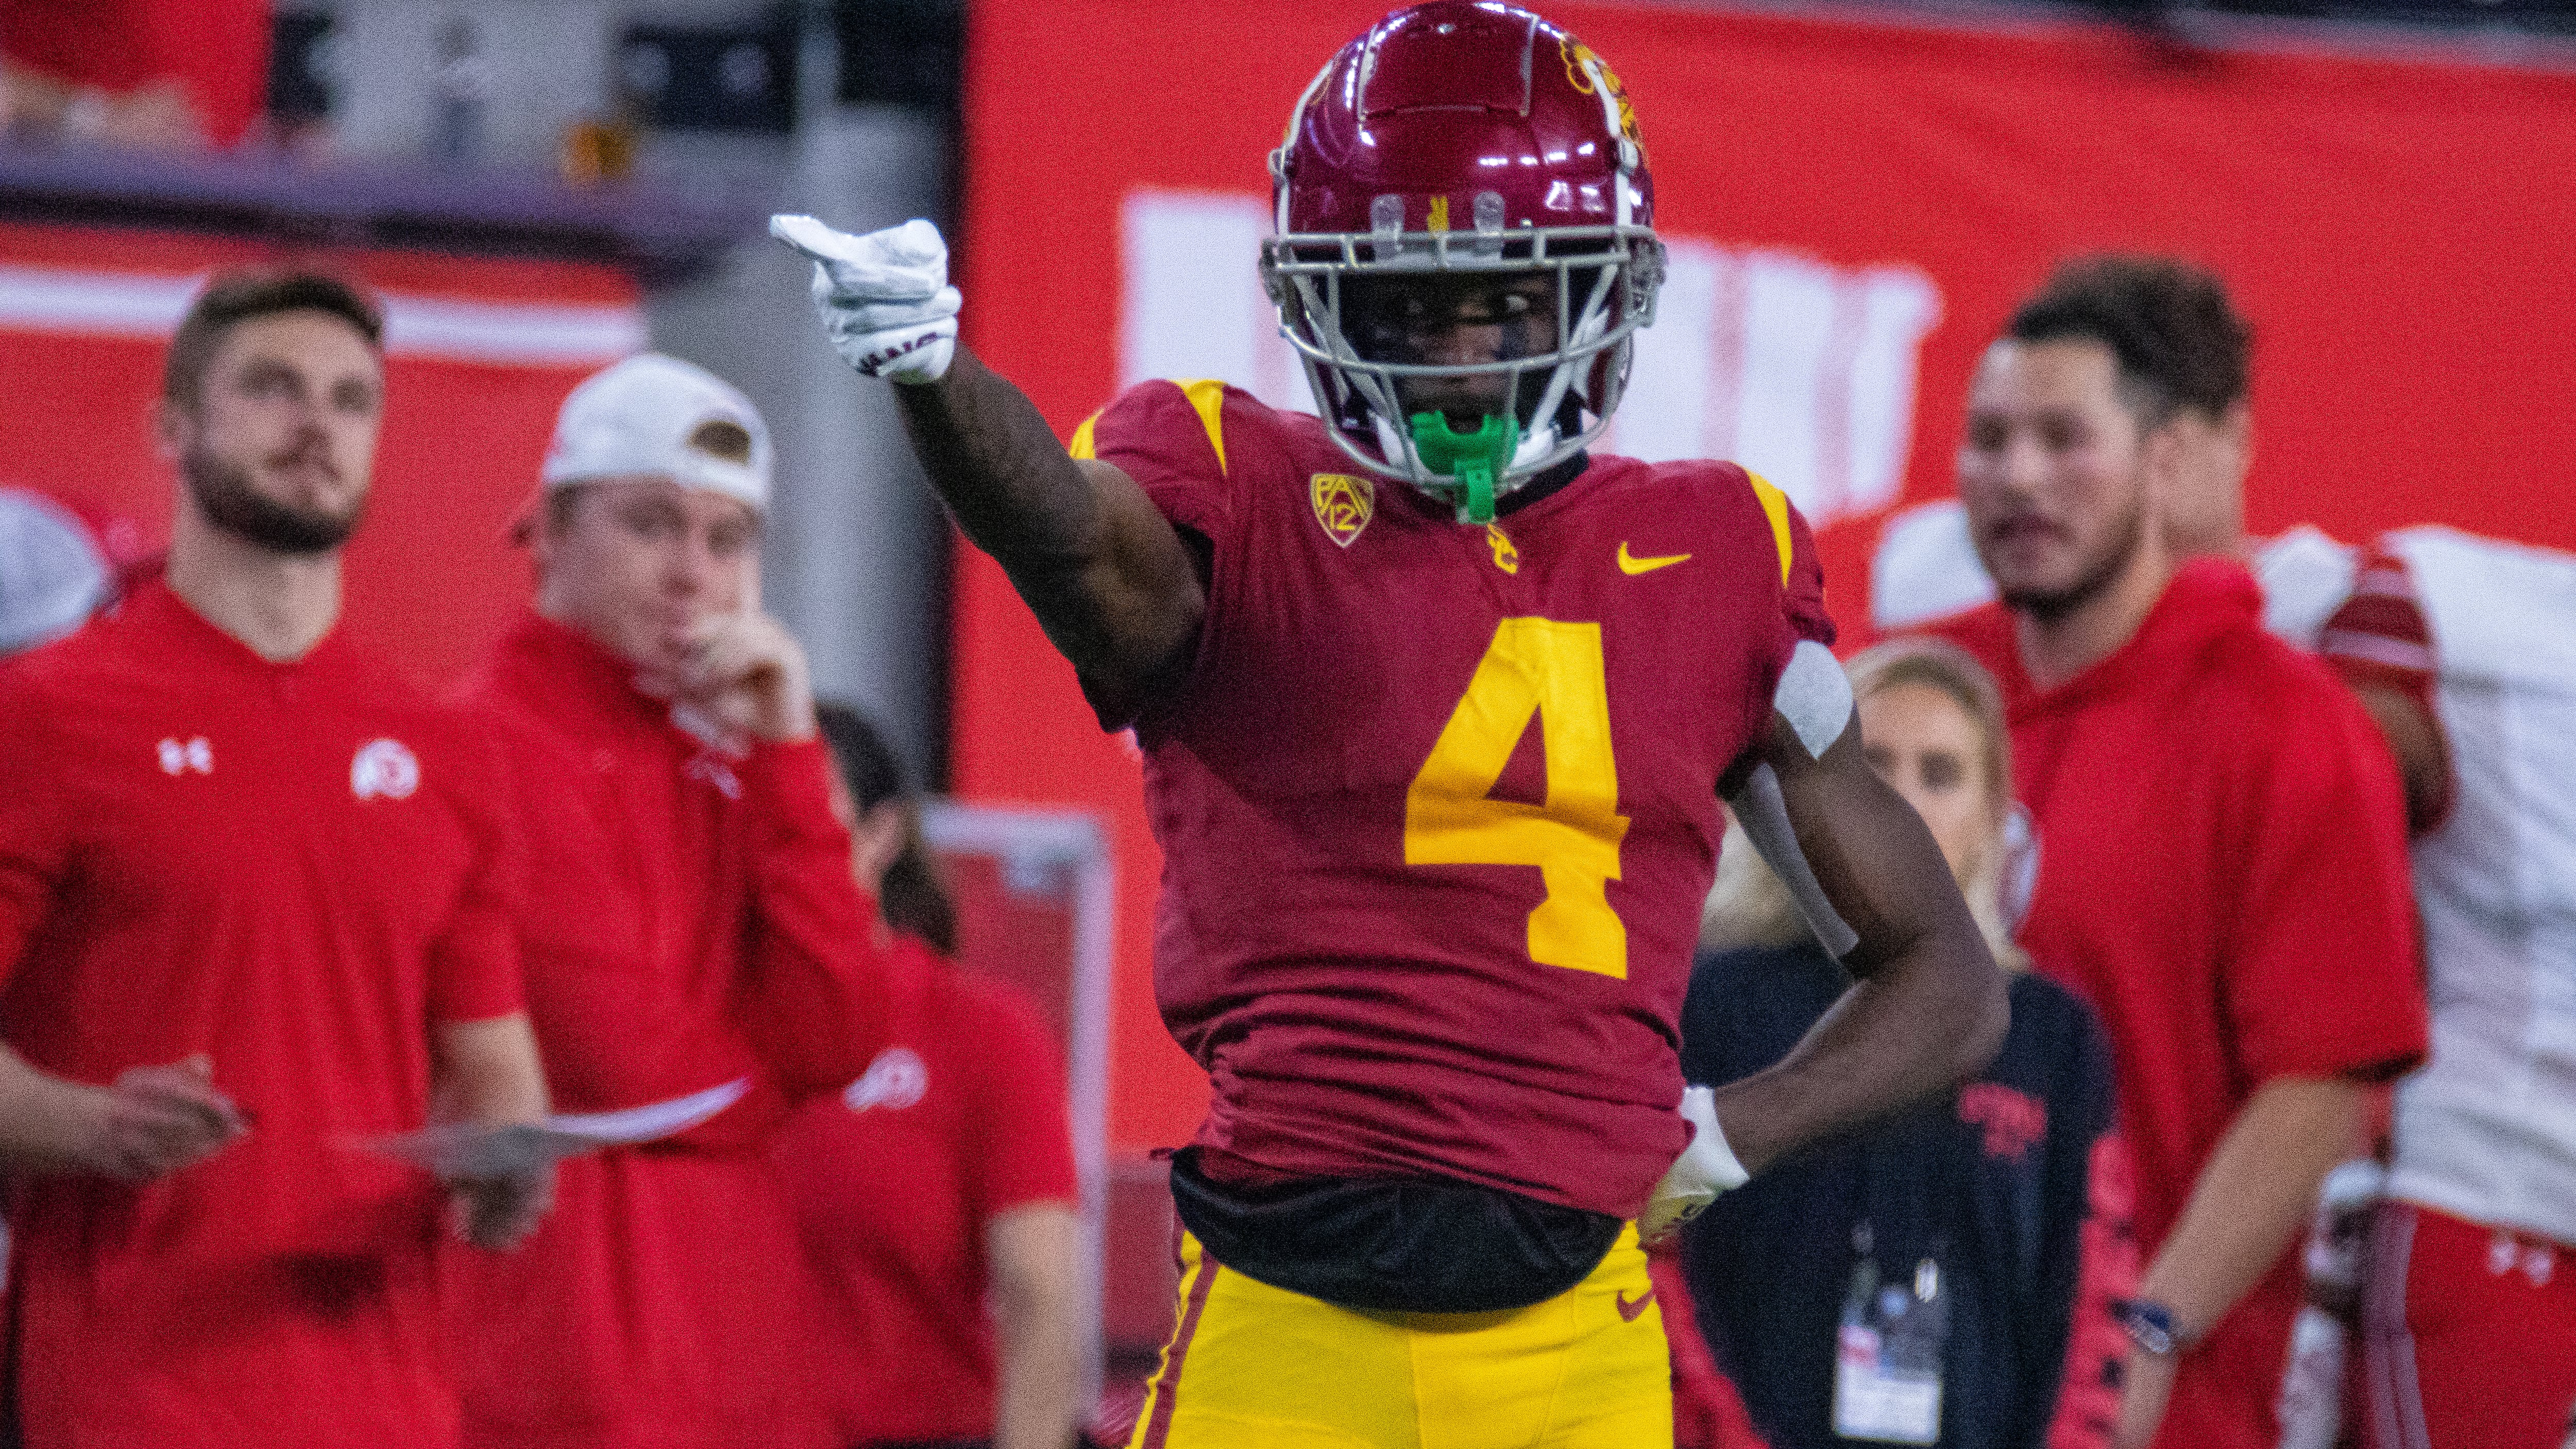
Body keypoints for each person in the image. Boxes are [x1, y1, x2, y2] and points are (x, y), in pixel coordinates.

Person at [777, 4, 2008, 1444]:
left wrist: (1732, 1134)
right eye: (1411, 306)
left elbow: (1949, 980)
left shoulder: (1715, 553)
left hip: (1575, 1337)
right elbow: (1068, 535)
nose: (1461, 353)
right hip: (1287, 1310)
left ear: (1601, 293)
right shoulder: (1236, 485)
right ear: (1324, 304)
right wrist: (932, 374)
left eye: (1506, 301)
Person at [0, 268, 553, 1448]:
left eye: (353, 401)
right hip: (127, 1396)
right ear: (173, 427)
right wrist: (84, 1123)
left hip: (390, 1398)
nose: (318, 424)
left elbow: (494, 1068)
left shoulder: (444, 747)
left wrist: (508, 1161)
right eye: (273, 388)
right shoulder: (47, 714)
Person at [1925, 258, 2428, 1449]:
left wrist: (2146, 1326)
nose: (2019, 478)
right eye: (1988, 439)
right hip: (1894, 1357)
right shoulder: (1912, 696)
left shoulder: (2289, 727)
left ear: (2162, 462)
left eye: (2062, 437)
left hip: (2151, 1404)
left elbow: (2319, 1085)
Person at [444, 353, 892, 1449]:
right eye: (650, 524)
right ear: (547, 526)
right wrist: (761, 1090)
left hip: (738, 1377)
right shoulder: (473, 744)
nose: (694, 572)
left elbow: (838, 1036)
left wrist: (791, 748)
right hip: (544, 1382)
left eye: (727, 539)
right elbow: (618, 1061)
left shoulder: (742, 761)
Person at [1672, 640, 2133, 1449]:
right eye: (1872, 767)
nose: (1906, 803)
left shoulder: (2052, 1034)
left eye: (1942, 773)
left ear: (1993, 818)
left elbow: (2092, 1304)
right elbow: (1650, 1256)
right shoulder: (1705, 999)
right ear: (1807, 799)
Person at [771, 701, 1086, 1449]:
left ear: (880, 835)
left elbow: (1039, 1301)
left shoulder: (981, 1034)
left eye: (804, 815)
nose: (774, 846)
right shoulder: (701, 1028)